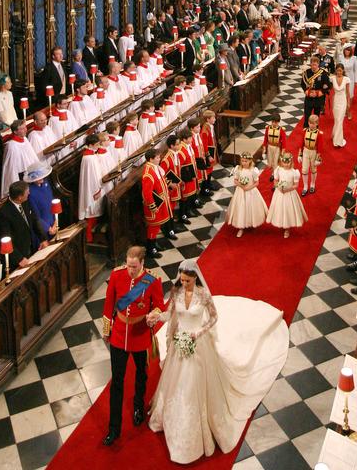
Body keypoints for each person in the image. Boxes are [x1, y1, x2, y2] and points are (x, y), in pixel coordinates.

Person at [147, 260, 288, 463]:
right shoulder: (177, 292)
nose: (184, 283)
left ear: (195, 278)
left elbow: (214, 318)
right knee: (176, 384)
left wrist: (199, 333)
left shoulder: (203, 295)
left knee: (194, 385)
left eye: (187, 280)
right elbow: (170, 314)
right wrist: (156, 316)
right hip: (180, 344)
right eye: (182, 280)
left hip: (198, 343)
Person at [101, 245, 164, 446]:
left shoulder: (152, 281)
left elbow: (159, 305)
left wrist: (154, 315)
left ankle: (138, 407)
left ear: (143, 263)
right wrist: (106, 330)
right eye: (128, 266)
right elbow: (109, 304)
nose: (131, 270)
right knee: (117, 382)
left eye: (135, 267)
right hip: (119, 335)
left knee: (141, 374)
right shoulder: (117, 275)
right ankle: (114, 428)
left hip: (140, 335)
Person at [0, 180, 48, 271]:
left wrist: (43, 239)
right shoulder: (4, 214)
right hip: (19, 258)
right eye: (27, 192)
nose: (29, 193)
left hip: (31, 249)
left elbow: (34, 221)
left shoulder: (25, 202)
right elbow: (6, 239)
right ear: (19, 197)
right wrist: (18, 258)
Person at [142, 147, 174, 259]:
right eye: (157, 157)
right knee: (153, 227)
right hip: (155, 206)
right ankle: (151, 249)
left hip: (161, 203)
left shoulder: (155, 168)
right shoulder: (148, 173)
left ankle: (154, 244)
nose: (159, 159)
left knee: (157, 226)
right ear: (151, 159)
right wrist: (152, 206)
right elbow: (147, 193)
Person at [266, 150, 307, 238]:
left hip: (290, 193)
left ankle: (287, 228)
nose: (286, 164)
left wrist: (288, 189)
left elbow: (296, 185)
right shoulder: (278, 170)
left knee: (288, 209)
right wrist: (278, 187)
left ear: (291, 162)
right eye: (284, 162)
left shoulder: (294, 172)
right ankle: (281, 222)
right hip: (280, 192)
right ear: (282, 162)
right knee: (280, 209)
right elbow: (275, 181)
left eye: (288, 163)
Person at [225, 152, 267, 237]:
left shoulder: (253, 170)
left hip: (250, 191)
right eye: (242, 161)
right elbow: (235, 180)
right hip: (240, 191)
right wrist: (241, 185)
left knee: (250, 207)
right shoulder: (238, 169)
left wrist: (248, 187)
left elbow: (257, 183)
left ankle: (251, 221)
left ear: (250, 161)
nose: (244, 163)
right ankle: (241, 227)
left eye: (246, 161)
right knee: (241, 208)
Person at [1, 119, 41, 197]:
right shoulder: (11, 146)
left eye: (25, 127)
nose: (25, 130)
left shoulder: (25, 139)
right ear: (15, 132)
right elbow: (12, 168)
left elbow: (32, 157)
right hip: (22, 179)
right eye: (22, 128)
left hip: (32, 175)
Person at [25, 165, 58, 239]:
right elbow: (36, 216)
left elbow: (53, 203)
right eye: (38, 177)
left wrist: (56, 222)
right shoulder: (30, 192)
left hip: (54, 223)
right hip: (43, 229)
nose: (41, 178)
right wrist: (49, 229)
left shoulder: (46, 184)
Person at [301, 55, 331, 126]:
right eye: (312, 64)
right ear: (310, 64)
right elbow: (302, 84)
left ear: (318, 64)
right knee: (307, 117)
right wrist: (307, 92)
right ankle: (306, 132)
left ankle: (315, 133)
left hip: (318, 99)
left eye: (315, 64)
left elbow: (328, 85)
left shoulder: (323, 73)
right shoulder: (306, 73)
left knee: (316, 118)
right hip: (309, 98)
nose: (314, 66)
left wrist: (320, 93)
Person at [300, 112, 322, 197]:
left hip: (314, 152)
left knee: (313, 169)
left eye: (314, 123)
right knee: (304, 170)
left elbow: (320, 147)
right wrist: (300, 154)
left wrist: (318, 158)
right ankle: (305, 186)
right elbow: (301, 143)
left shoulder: (319, 134)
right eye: (310, 123)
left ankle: (312, 184)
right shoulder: (305, 131)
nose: (312, 125)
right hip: (306, 151)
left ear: (317, 124)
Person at [262, 110, 287, 181]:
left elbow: (284, 141)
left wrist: (283, 151)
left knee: (276, 162)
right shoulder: (268, 128)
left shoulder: (281, 130)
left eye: (275, 122)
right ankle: (274, 172)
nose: (273, 123)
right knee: (270, 163)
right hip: (269, 147)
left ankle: (275, 175)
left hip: (277, 148)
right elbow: (265, 139)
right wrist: (264, 151)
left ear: (278, 122)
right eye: (272, 122)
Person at [331, 63, 351, 148]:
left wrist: (349, 103)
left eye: (340, 70)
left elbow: (347, 92)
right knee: (336, 119)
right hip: (336, 101)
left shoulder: (346, 79)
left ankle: (337, 141)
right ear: (335, 70)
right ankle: (334, 134)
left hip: (343, 101)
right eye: (337, 70)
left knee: (340, 120)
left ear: (343, 70)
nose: (339, 72)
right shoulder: (332, 79)